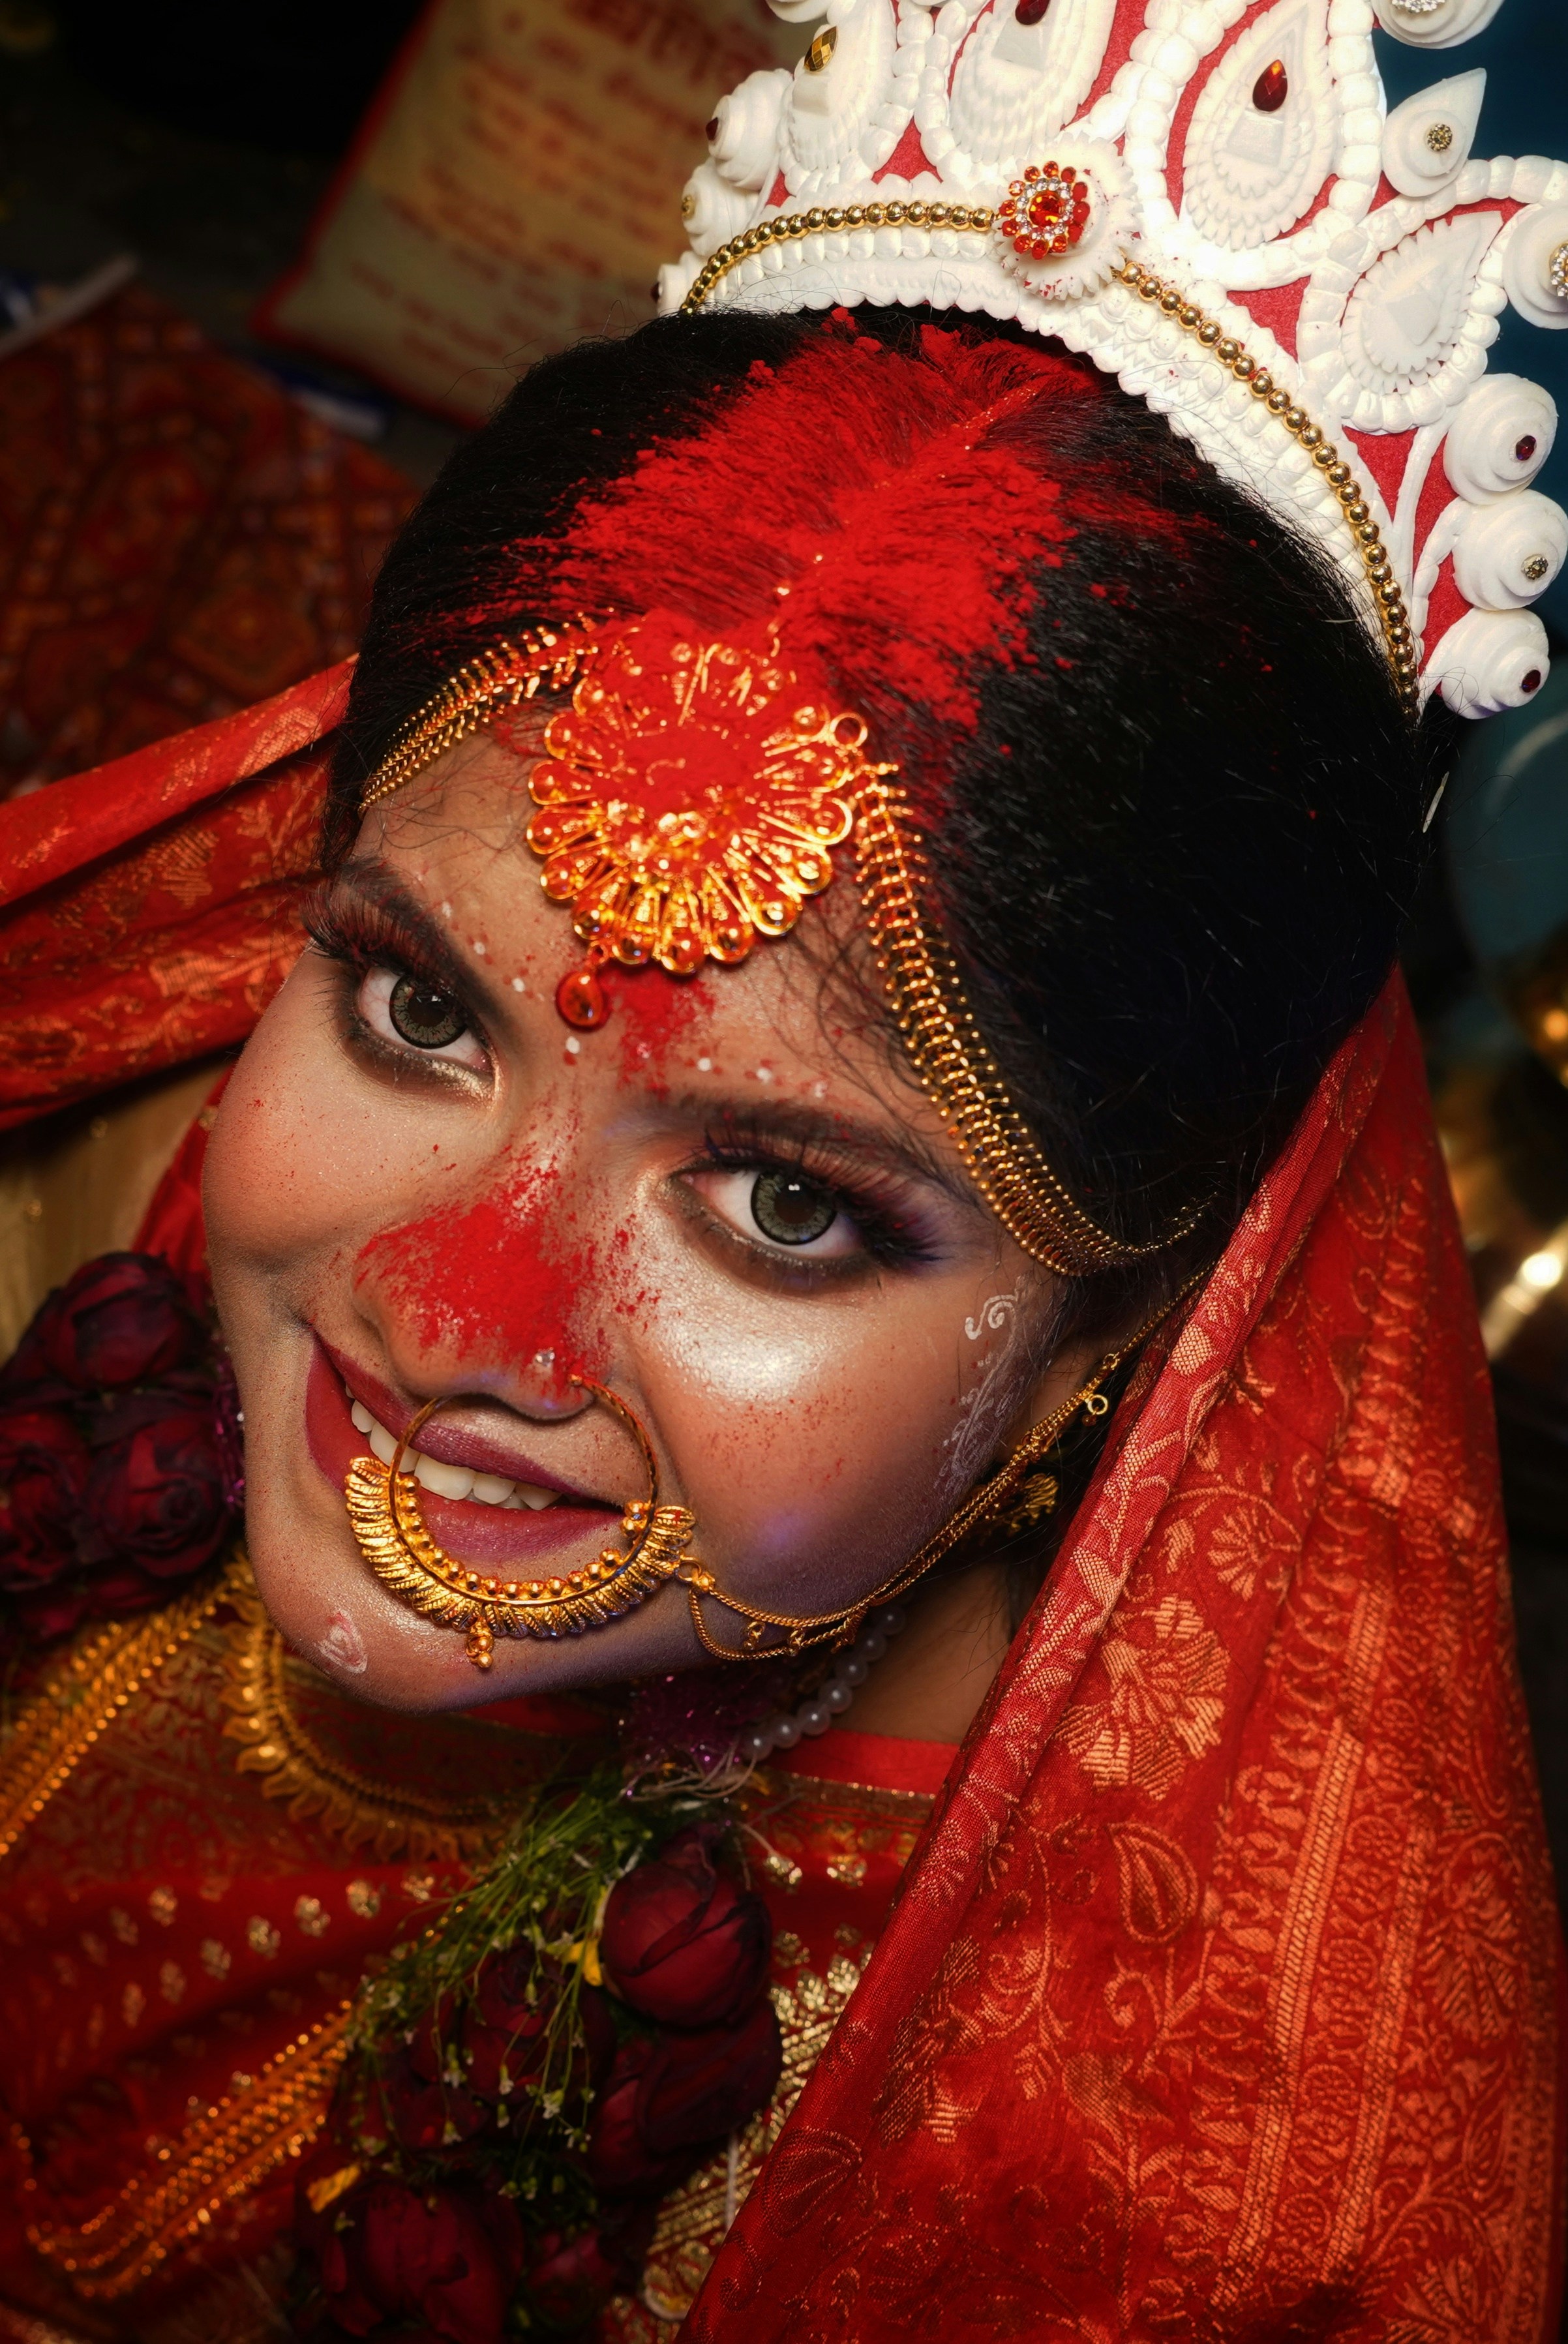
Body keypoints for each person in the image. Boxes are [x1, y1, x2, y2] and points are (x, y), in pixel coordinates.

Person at [1, 6, 1564, 2340]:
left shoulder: (1122, 2193)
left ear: (1118, 1345)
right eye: (424, 1012)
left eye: (787, 1201)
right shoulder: (85, 1178)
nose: (453, 1315)